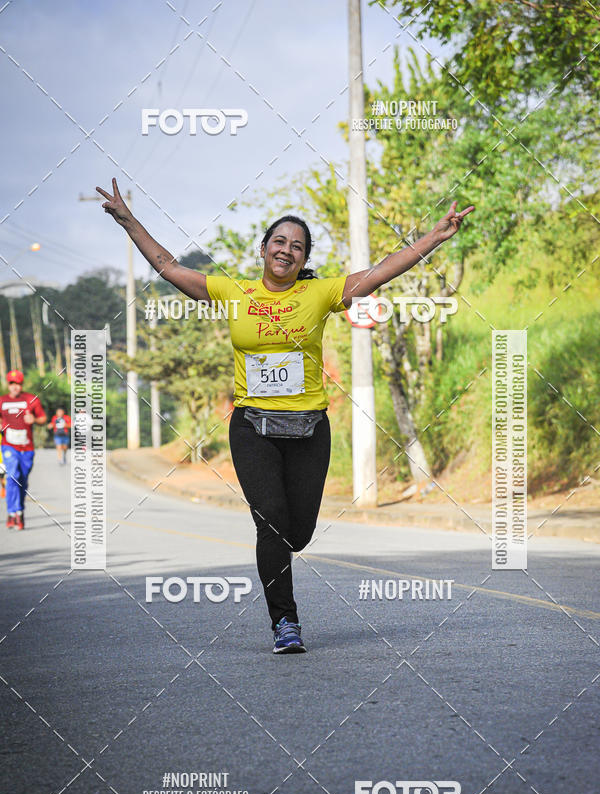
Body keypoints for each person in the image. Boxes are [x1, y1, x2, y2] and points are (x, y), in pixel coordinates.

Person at [97, 177, 473, 653]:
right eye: (280, 241)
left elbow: (382, 271)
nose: (287, 250)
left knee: (298, 534)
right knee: (270, 522)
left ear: (303, 259)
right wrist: (128, 219)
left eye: (297, 246)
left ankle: (280, 557)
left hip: (309, 429)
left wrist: (433, 238)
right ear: (263, 248)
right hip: (253, 427)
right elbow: (169, 267)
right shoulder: (234, 293)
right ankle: (285, 623)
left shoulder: (321, 295)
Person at [1, 370, 47, 530]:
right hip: (8, 445)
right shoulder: (2, 400)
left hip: (27, 447)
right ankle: (13, 512)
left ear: (22, 385)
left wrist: (34, 419)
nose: (15, 387)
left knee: (23, 480)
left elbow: (43, 418)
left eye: (18, 383)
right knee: (13, 475)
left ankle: (18, 509)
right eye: (12, 383)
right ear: (8, 385)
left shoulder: (31, 399)